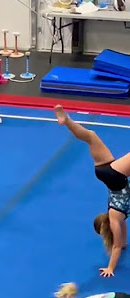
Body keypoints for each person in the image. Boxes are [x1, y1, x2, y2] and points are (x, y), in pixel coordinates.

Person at [54, 105, 128, 277]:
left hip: (114, 176)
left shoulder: (116, 217)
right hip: (107, 173)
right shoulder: (117, 216)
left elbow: (117, 246)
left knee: (91, 137)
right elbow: (120, 244)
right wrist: (122, 244)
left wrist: (111, 268)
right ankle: (67, 121)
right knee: (91, 137)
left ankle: (65, 120)